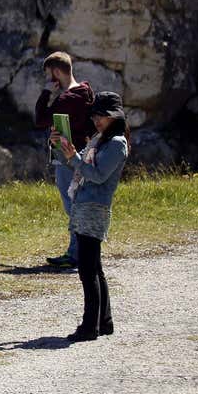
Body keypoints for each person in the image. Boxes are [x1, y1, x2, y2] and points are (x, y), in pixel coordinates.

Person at [56, 91, 130, 341]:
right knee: (93, 267)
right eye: (96, 115)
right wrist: (63, 148)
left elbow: (97, 175)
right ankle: (104, 322)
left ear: (116, 117)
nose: (98, 120)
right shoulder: (101, 139)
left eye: (103, 116)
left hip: (95, 208)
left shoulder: (117, 143)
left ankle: (90, 327)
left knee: (88, 269)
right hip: (85, 205)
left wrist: (74, 157)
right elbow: (81, 167)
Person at [33, 52, 95, 268]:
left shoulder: (66, 98)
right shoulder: (86, 92)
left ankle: (75, 253)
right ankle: (82, 251)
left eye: (50, 76)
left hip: (67, 158)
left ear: (57, 73)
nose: (49, 80)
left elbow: (40, 119)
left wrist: (45, 93)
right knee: (80, 202)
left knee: (72, 206)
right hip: (84, 154)